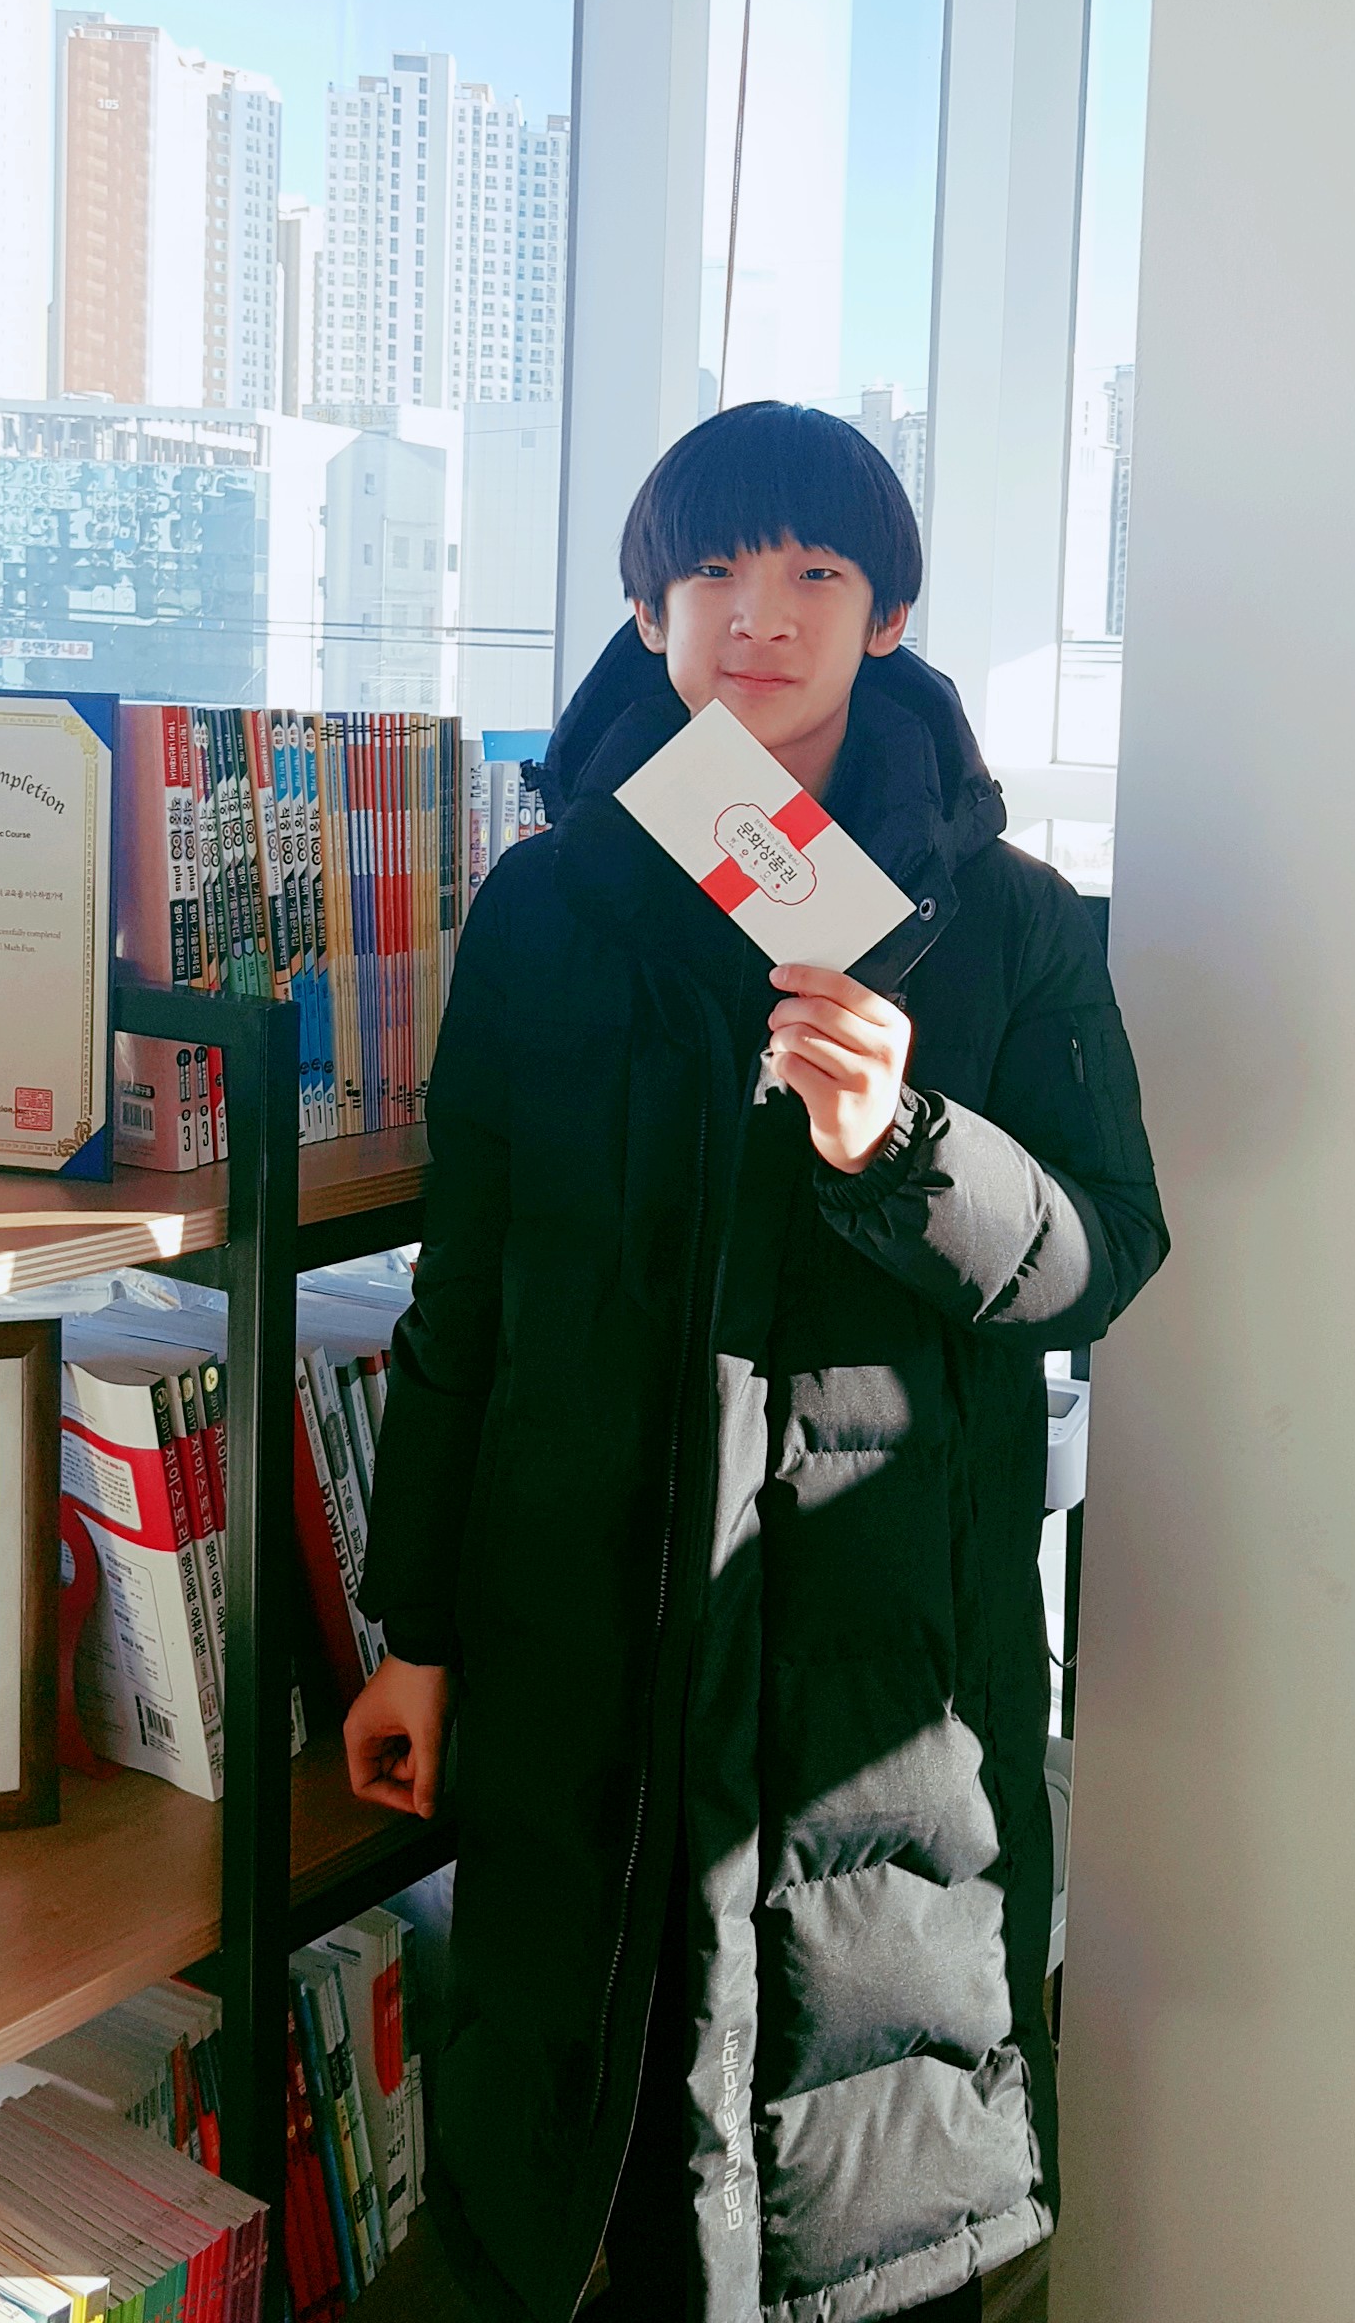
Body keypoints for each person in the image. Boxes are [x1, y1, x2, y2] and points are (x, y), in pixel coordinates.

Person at [345, 401, 1167, 2322]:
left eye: (814, 571)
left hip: (876, 1667)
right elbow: (468, 1291)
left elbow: (1104, 1254)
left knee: (846, 2201)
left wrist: (907, 1145)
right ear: (648, 615)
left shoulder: (1007, 921)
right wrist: (418, 1630)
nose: (759, 615)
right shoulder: (548, 907)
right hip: (580, 1641)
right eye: (709, 572)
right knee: (579, 2173)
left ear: (891, 617)